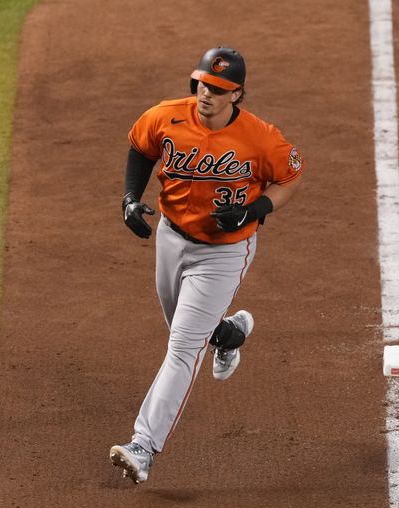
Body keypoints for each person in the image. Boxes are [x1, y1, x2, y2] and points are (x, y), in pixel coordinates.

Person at [109, 46, 304, 484]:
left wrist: (254, 210)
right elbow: (141, 149)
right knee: (181, 326)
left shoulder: (261, 138)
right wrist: (128, 199)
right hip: (171, 237)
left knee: (181, 348)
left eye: (217, 89)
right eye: (201, 84)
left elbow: (290, 177)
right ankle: (228, 333)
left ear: (237, 94)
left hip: (223, 253)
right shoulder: (166, 117)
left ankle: (143, 446)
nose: (206, 94)